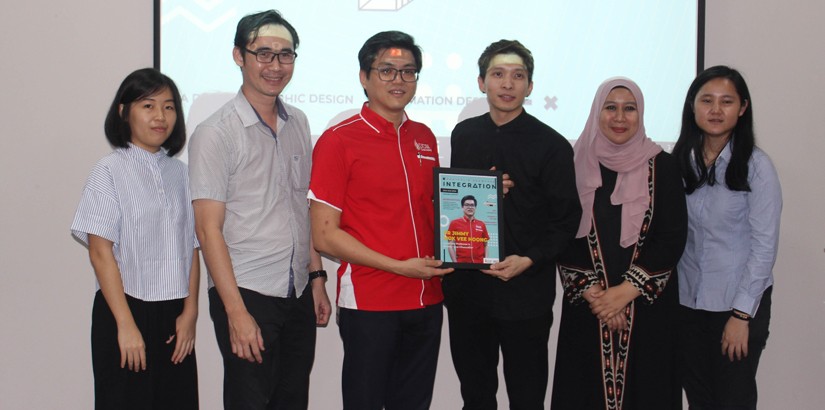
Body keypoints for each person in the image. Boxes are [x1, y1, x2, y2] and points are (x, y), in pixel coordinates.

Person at [188, 10, 331, 409]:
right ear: (239, 55)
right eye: (263, 53)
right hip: (247, 291)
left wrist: (316, 276)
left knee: (292, 400)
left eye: (286, 55)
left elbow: (302, 206)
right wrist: (236, 313)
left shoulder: (299, 122)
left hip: (297, 289)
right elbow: (207, 229)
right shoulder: (215, 133)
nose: (275, 65)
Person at [309, 31, 452, 410]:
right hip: (371, 303)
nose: (398, 81)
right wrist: (398, 268)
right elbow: (324, 236)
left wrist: (483, 193)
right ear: (364, 76)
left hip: (427, 300)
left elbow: (433, 213)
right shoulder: (338, 140)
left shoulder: (424, 137)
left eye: (408, 72)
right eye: (387, 70)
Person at [445, 39, 581, 409]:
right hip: (468, 290)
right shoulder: (464, 134)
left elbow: (566, 219)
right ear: (481, 82)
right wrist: (477, 188)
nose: (507, 84)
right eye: (498, 74)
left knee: (527, 395)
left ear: (530, 87)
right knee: (475, 394)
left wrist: (530, 259)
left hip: (526, 291)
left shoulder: (552, 145)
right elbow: (453, 204)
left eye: (518, 76)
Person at [551, 77, 688, 410]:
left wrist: (625, 293)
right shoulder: (574, 164)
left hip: (647, 309)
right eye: (610, 108)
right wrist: (599, 298)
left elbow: (672, 236)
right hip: (589, 307)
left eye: (630, 109)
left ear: (641, 115)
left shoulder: (664, 165)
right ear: (597, 112)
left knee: (649, 390)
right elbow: (562, 232)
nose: (620, 118)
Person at [71, 68, 199, 409]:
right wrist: (125, 326)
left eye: (169, 107)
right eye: (148, 105)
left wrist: (190, 314)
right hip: (125, 309)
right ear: (124, 112)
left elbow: (192, 248)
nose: (160, 116)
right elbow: (100, 254)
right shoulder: (108, 171)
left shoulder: (182, 174)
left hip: (174, 314)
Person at [673, 65, 781, 410]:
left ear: (743, 108)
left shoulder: (757, 167)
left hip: (736, 306)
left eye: (726, 101)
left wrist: (741, 316)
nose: (716, 110)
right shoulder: (679, 161)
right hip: (688, 304)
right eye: (707, 100)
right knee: (700, 400)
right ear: (693, 106)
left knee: (733, 400)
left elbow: (764, 247)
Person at [447, 195, 490, 264]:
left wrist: (486, 262)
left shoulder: (481, 224)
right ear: (462, 207)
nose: (470, 207)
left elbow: (486, 245)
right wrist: (455, 263)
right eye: (467, 205)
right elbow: (450, 245)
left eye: (472, 205)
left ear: (475, 207)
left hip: (480, 264)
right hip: (462, 264)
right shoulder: (454, 223)